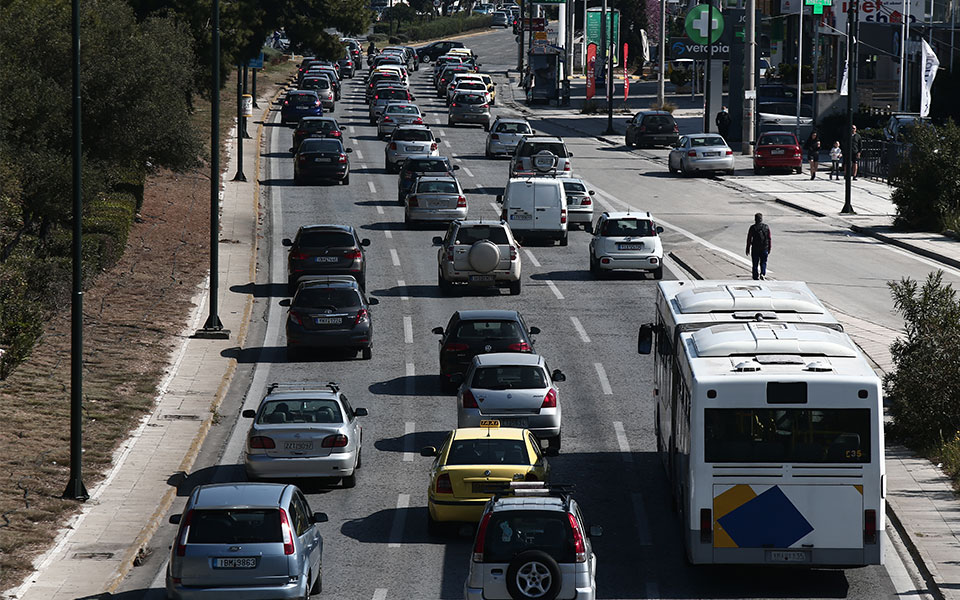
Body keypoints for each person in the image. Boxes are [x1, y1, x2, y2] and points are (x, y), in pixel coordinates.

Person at [745, 212, 771, 281]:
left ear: (755, 219)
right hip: (764, 248)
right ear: (761, 219)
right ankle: (763, 273)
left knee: (755, 263)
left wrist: (747, 248)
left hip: (755, 248)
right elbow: (769, 238)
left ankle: (755, 276)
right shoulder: (766, 227)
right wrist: (769, 248)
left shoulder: (752, 227)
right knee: (763, 262)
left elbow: (749, 239)